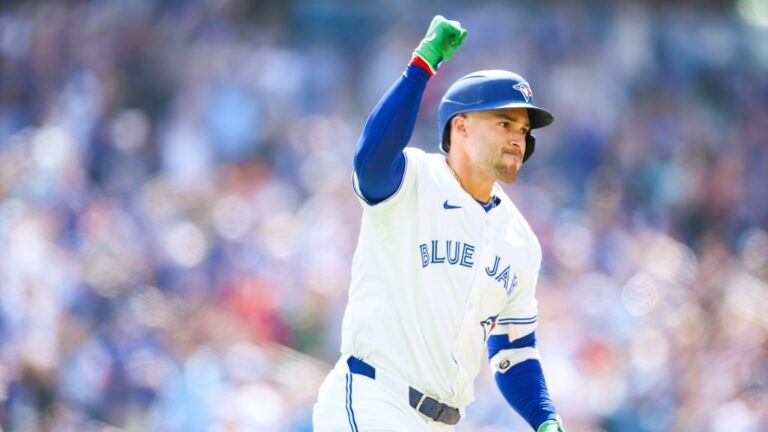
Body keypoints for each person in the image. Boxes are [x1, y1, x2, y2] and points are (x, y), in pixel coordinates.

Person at [313, 15, 565, 432]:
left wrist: (545, 419)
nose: (518, 137)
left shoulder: (521, 240)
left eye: (523, 128)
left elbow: (514, 350)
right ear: (460, 127)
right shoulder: (414, 179)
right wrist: (421, 66)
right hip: (376, 398)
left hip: (444, 422)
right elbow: (370, 163)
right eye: (504, 122)